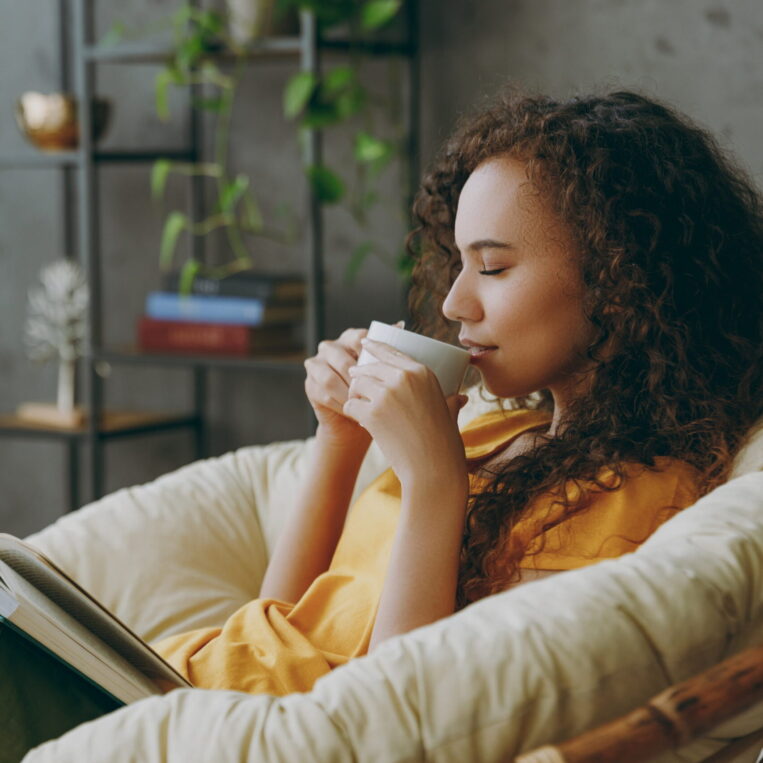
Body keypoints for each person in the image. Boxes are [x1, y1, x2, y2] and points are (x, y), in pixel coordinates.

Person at [150, 88, 763, 696]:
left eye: (492, 268)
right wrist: (339, 440)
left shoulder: (627, 501)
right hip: (178, 690)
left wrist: (435, 483)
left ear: (620, 278)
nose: (452, 302)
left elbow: (406, 716)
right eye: (459, 263)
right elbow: (279, 627)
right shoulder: (491, 430)